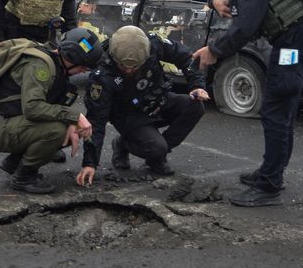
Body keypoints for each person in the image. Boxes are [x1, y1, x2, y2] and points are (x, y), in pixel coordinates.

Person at [180, 0, 303, 207]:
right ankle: (269, 172)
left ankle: (269, 185)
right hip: (290, 36)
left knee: (277, 105)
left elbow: (246, 23)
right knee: (279, 105)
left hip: (295, 41)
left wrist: (214, 51)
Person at [77, 26, 209, 186]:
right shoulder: (102, 75)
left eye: (135, 67)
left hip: (158, 100)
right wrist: (90, 163)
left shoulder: (153, 44)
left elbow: (187, 58)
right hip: (130, 116)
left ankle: (156, 157)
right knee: (156, 148)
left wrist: (196, 85)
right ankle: (123, 144)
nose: (129, 70)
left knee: (195, 106)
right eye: (124, 67)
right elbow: (96, 121)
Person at [0, 28, 103, 194]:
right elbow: (33, 108)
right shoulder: (40, 67)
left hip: (12, 122)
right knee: (57, 131)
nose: (83, 71)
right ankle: (23, 177)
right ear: (72, 57)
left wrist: (71, 121)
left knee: (70, 129)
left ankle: (14, 162)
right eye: (83, 66)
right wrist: (74, 116)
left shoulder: (55, 65)